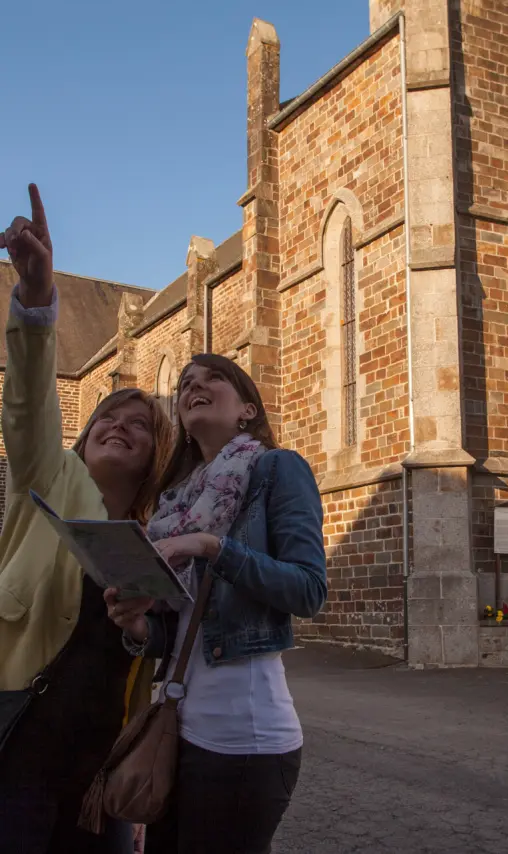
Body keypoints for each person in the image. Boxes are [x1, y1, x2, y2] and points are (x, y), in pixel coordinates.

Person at [0, 185, 174, 854]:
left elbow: (155, 652)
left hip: (98, 777)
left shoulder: (156, 533)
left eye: (139, 425)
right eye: (109, 417)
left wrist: (138, 635)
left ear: (154, 457)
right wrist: (39, 299)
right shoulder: (49, 475)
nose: (121, 426)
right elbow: (27, 404)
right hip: (16, 751)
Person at [105, 352, 328, 854]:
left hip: (244, 740)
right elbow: (185, 629)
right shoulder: (175, 504)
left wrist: (212, 547)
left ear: (248, 408)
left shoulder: (277, 469)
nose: (193, 387)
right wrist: (139, 627)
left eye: (212, 379)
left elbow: (309, 589)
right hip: (176, 733)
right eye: (185, 383)